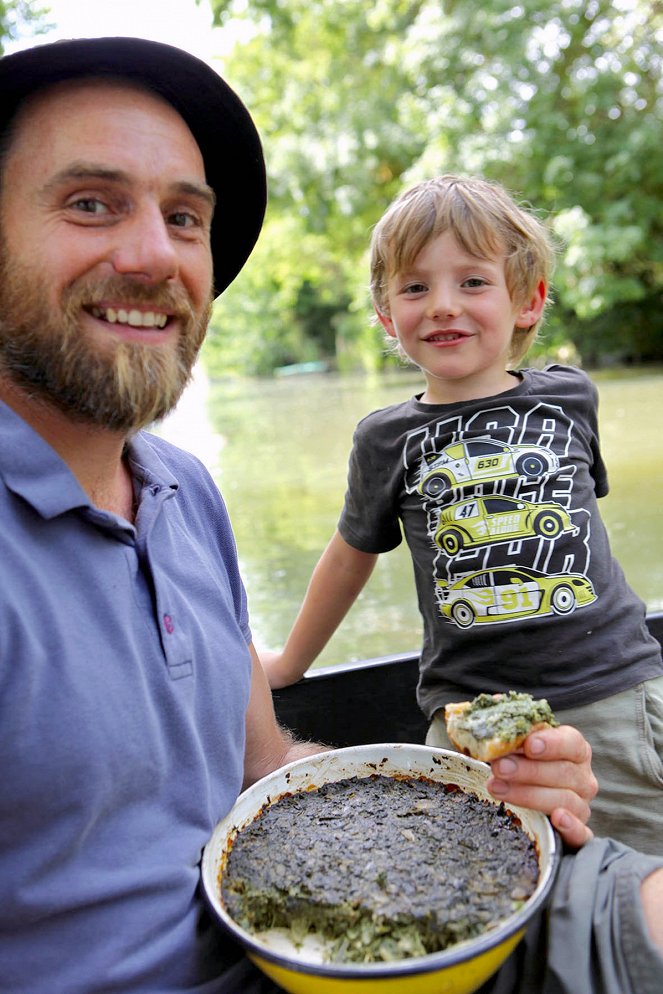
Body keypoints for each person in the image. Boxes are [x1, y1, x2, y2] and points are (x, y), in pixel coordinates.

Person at [0, 37, 658, 994]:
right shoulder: (384, 440)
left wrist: (479, 800)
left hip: (354, 932)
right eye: (90, 203)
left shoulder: (183, 492)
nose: (153, 252)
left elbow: (265, 773)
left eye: (185, 217)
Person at [260, 174, 663, 856]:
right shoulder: (385, 439)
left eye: (472, 282)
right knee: (489, 887)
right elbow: (348, 554)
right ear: (387, 316)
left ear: (526, 301)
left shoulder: (568, 398)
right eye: (415, 288)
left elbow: (575, 522)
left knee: (642, 876)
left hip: (611, 694)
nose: (443, 305)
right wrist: (290, 662)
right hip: (469, 716)